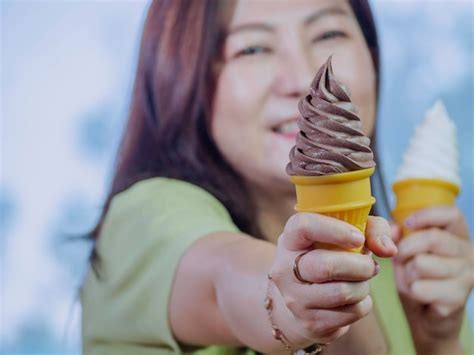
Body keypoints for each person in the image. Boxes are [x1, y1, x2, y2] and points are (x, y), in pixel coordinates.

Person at [81, 0, 474, 354]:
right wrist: (290, 303)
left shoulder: (398, 264)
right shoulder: (145, 220)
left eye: (328, 33)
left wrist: (437, 341)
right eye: (252, 48)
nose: (303, 78)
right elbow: (223, 282)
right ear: (185, 79)